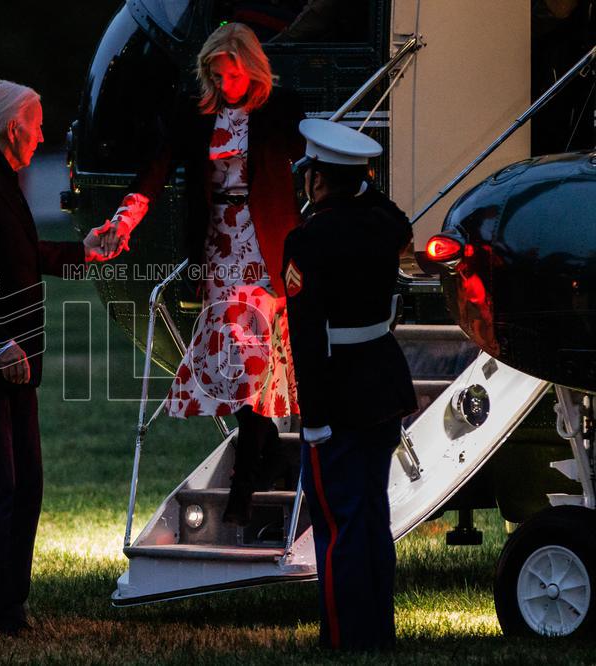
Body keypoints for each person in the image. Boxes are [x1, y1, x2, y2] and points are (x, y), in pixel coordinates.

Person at [99, 22, 304, 524]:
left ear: (250, 68)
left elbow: (311, 161)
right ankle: (267, 451)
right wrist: (124, 220)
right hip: (218, 247)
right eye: (215, 74)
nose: (224, 83)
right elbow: (156, 170)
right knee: (235, 360)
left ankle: (245, 481)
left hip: (264, 247)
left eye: (231, 74)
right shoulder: (194, 115)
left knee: (252, 356)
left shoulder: (279, 109)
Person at [0, 80, 107, 635]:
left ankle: (10, 604)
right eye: (37, 123)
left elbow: (23, 256)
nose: (43, 134)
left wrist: (88, 254)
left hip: (13, 365)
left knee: (25, 483)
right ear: (13, 129)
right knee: (0, 486)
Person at [283, 118, 417, 650]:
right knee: (372, 514)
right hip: (382, 383)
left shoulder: (308, 239)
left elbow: (307, 338)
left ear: (317, 181)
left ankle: (342, 638)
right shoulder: (383, 223)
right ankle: (377, 631)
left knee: (339, 522)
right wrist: (361, 180)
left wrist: (312, 419)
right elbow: (391, 213)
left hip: (337, 392)